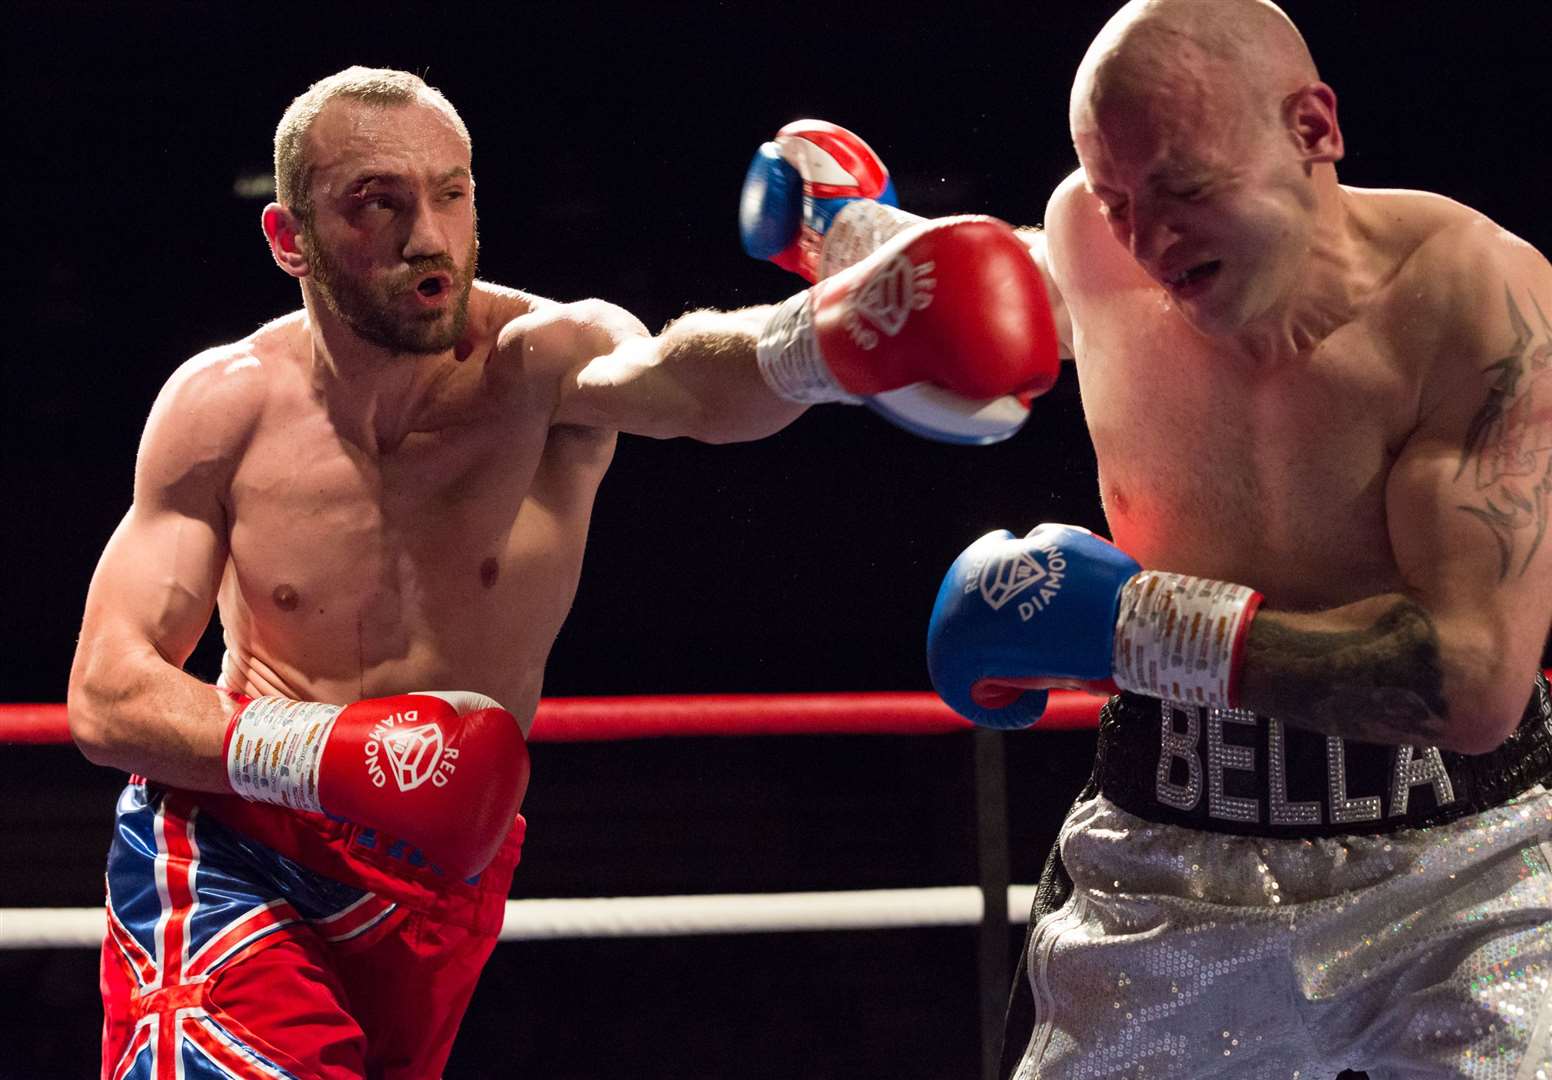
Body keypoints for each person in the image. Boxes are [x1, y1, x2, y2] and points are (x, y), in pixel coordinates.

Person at [65, 68, 1060, 1079]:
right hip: (238, 843)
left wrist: (815, 346)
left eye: (452, 194)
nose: (427, 237)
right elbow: (106, 695)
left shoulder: (543, 360)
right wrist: (328, 754)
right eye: (379, 202)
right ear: (290, 239)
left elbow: (683, 380)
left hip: (446, 870)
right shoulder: (221, 405)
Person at [756, 1, 1552, 1076]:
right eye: (1114, 195)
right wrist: (840, 228)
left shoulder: (1475, 302)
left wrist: (1128, 624)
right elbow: (1006, 288)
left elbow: (1470, 683)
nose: (1149, 240)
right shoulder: (1104, 243)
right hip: (1169, 857)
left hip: (1464, 873)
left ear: (1312, 128)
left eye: (1183, 188)